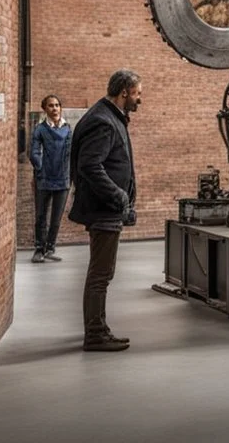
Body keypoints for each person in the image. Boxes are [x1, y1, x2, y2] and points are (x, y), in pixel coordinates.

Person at [68, 69, 141, 352]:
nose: (139, 99)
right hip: (104, 210)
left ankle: (96, 327)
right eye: (137, 93)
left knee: (100, 273)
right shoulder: (104, 121)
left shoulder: (108, 116)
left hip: (106, 209)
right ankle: (96, 333)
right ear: (124, 92)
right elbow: (90, 166)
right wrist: (119, 196)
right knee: (101, 274)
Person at [29, 94, 72, 264]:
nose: (54, 108)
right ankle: (39, 249)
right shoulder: (39, 129)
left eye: (57, 105)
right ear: (44, 109)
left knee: (56, 217)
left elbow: (70, 154)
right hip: (44, 180)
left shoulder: (68, 129)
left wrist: (70, 175)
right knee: (40, 216)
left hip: (63, 180)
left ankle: (50, 249)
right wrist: (41, 169)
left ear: (60, 108)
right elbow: (34, 153)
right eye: (50, 105)